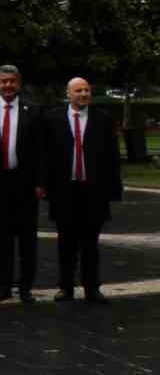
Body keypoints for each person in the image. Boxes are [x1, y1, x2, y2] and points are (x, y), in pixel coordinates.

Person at [42, 77, 122, 304]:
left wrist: (114, 190)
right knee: (65, 242)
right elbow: (45, 156)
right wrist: (45, 186)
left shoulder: (103, 119)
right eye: (78, 90)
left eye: (87, 90)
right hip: (64, 191)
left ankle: (92, 287)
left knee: (90, 243)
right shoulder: (52, 119)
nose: (84, 94)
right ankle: (65, 287)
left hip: (93, 191)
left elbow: (112, 157)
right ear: (68, 94)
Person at [0, 64, 42, 303]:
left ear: (19, 83)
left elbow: (42, 152)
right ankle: (3, 286)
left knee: (27, 239)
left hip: (25, 184)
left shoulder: (33, 111)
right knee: (1, 239)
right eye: (4, 81)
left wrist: (41, 183)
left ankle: (25, 287)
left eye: (12, 81)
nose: (8, 85)